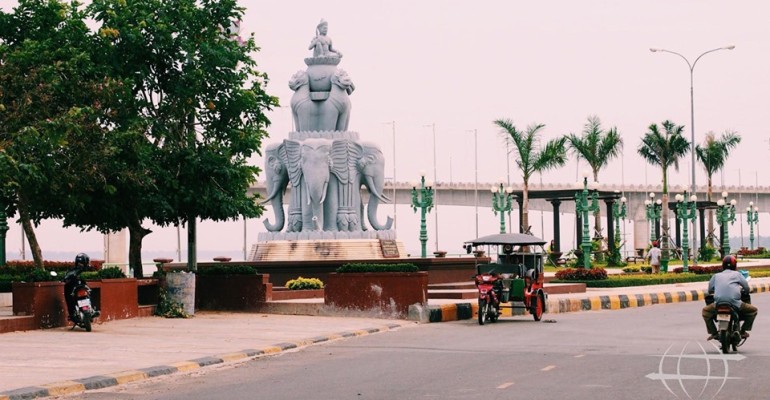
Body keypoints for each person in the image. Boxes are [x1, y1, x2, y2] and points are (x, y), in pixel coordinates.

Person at [702, 255, 758, 341]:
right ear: (734, 265)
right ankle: (743, 331)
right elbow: (746, 287)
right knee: (753, 310)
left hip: (718, 303)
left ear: (723, 265)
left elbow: (709, 290)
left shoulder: (716, 276)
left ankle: (714, 333)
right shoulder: (738, 275)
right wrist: (746, 291)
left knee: (705, 311)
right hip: (735, 303)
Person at [64, 253, 90, 322]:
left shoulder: (78, 270)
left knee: (89, 293)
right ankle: (72, 314)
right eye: (79, 263)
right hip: (77, 289)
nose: (80, 265)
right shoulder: (73, 271)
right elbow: (67, 277)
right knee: (70, 298)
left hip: (81, 288)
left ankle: (72, 314)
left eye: (81, 263)